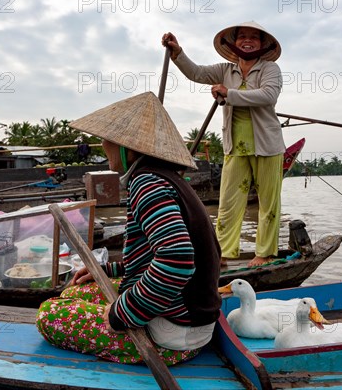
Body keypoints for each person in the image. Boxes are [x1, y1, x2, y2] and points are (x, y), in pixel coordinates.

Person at [36, 92, 222, 366]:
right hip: (189, 319)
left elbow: (178, 260)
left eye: (107, 139)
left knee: (49, 314)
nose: (102, 145)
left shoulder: (147, 183)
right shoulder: (166, 179)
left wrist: (120, 315)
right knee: (72, 293)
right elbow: (156, 253)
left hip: (173, 333)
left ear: (128, 147)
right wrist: (110, 269)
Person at [162, 21, 286, 268]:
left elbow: (267, 96)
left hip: (267, 146)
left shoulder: (270, 69)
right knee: (228, 203)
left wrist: (228, 94)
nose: (247, 41)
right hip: (235, 147)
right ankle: (224, 253)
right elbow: (196, 73)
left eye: (254, 37)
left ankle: (264, 253)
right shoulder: (225, 70)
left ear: (262, 44)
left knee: (268, 203)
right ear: (234, 42)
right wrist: (178, 53)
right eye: (242, 36)